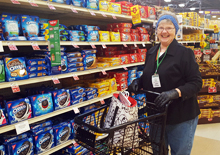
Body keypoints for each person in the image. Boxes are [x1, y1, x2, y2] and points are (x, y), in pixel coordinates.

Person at [128, 11, 202, 155]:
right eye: (161, 28)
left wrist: (176, 92)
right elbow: (148, 75)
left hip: (181, 116)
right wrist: (138, 81)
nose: (164, 31)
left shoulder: (184, 53)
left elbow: (196, 82)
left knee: (179, 152)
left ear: (176, 30)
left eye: (169, 28)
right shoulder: (151, 52)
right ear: (156, 31)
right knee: (158, 152)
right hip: (156, 115)